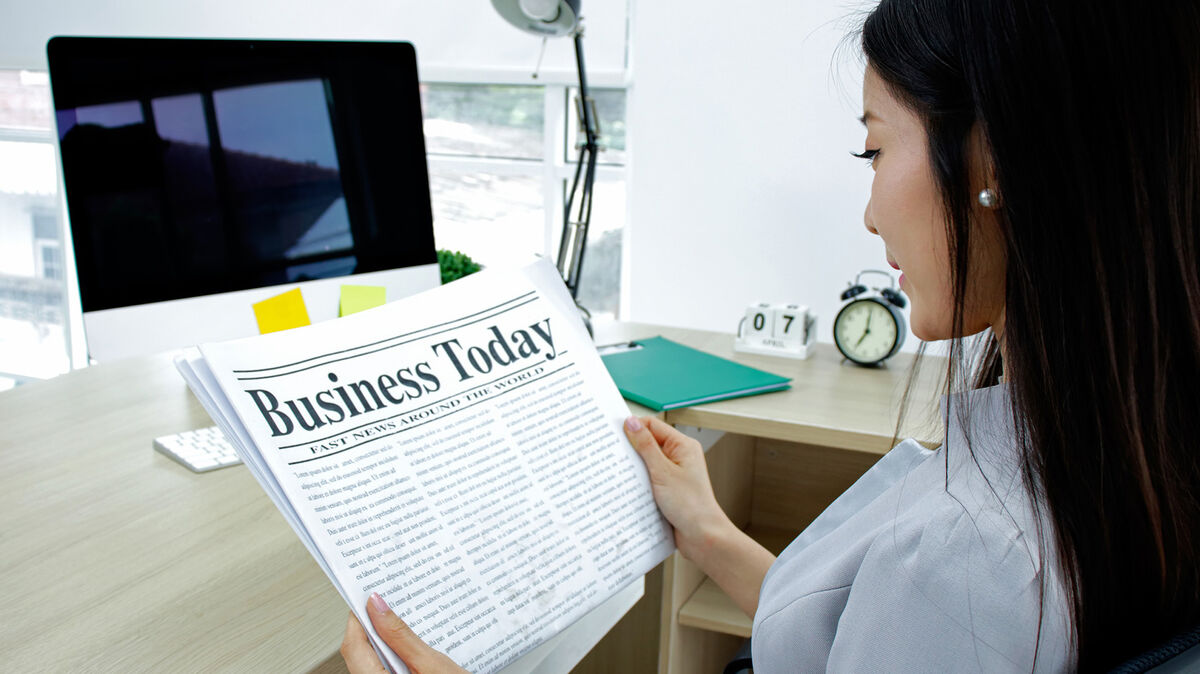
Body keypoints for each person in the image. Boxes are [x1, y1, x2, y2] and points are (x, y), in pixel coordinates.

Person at [340, 0, 1200, 670]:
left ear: (996, 163)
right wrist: (709, 532)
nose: (868, 213)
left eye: (873, 150)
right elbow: (865, 647)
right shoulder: (1128, 448)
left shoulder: (966, 560)